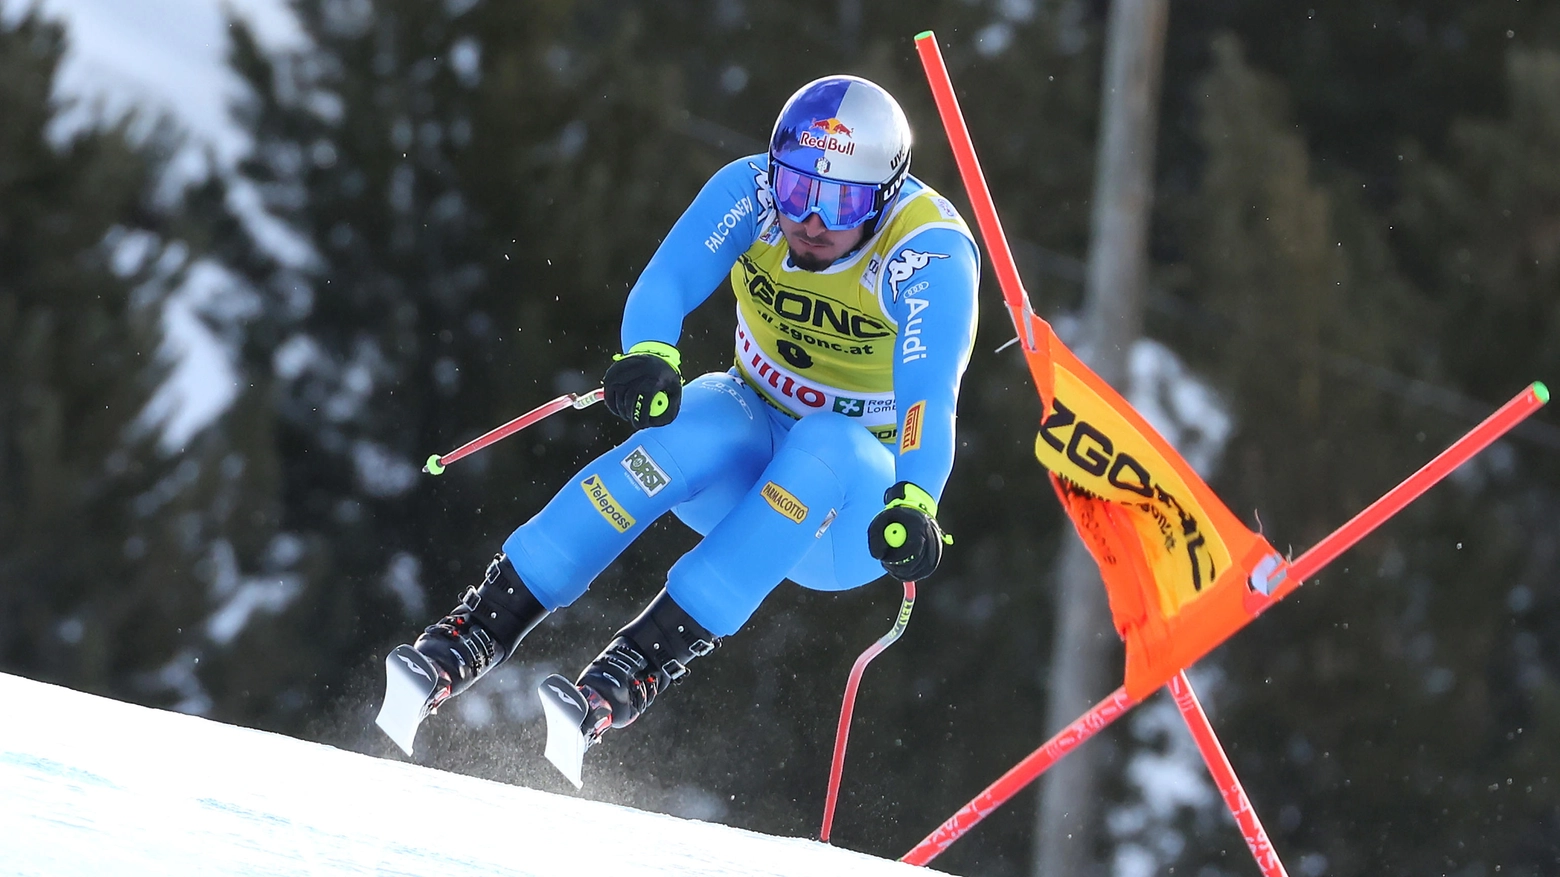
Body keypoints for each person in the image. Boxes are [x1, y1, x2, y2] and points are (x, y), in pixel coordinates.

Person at [374, 74, 980, 786]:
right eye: (795, 191)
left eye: (839, 201)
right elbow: (667, 279)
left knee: (828, 444)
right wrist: (652, 354)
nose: (809, 219)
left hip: (845, 514)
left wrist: (916, 496)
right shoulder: (748, 192)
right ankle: (475, 630)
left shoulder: (927, 254)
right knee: (702, 418)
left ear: (883, 199)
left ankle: (632, 669)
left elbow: (928, 395)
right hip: (745, 446)